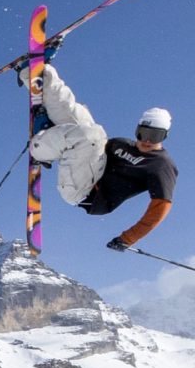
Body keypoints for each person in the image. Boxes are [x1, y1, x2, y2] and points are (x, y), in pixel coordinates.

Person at [23, 63, 177, 252]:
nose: (146, 140)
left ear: (164, 137)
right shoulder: (121, 144)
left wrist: (128, 238)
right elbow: (86, 148)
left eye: (155, 136)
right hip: (87, 171)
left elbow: (161, 206)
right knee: (81, 119)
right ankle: (39, 74)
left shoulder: (160, 165)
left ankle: (39, 148)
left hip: (86, 194)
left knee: (93, 135)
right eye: (143, 133)